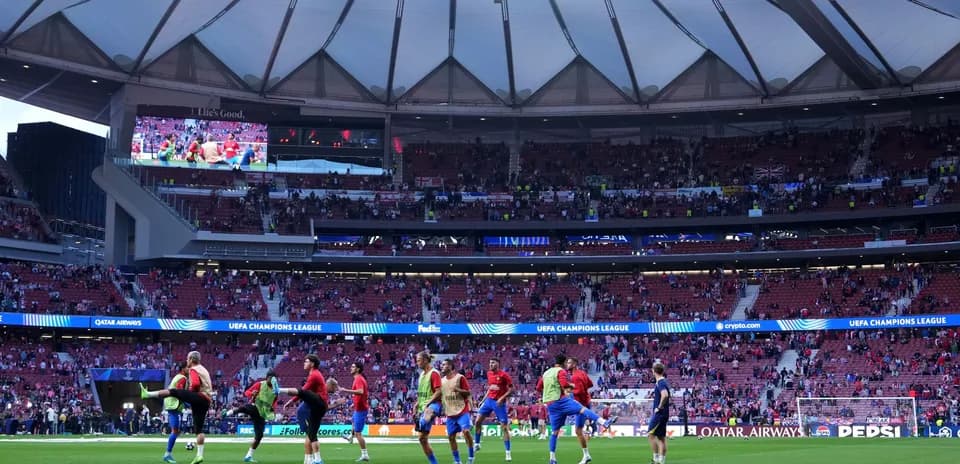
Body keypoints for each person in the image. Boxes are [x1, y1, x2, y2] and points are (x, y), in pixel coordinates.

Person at [537, 355, 616, 464]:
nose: (567, 364)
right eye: (567, 362)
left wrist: (552, 390)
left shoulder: (546, 373)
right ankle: (603, 423)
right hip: (563, 401)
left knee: (555, 432)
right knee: (582, 413)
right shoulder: (563, 372)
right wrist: (571, 386)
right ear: (564, 362)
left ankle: (552, 459)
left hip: (551, 404)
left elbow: (538, 388)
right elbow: (567, 385)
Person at [140, 351, 214, 464]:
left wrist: (189, 394)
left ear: (191, 359)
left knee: (174, 392)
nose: (187, 360)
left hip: (198, 397)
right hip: (206, 400)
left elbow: (194, 384)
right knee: (198, 430)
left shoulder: (193, 369)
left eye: (187, 358)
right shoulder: (204, 369)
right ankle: (199, 455)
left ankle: (148, 394)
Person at [277, 354, 330, 464]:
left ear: (312, 364)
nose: (304, 363)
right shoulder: (314, 374)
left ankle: (279, 389)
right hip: (317, 406)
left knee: (302, 397)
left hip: (319, 403)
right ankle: (317, 460)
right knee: (312, 435)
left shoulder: (314, 374)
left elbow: (303, 391)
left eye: (306, 361)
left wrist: (291, 401)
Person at [226, 370, 280, 463]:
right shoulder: (260, 384)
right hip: (255, 406)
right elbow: (247, 392)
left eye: (273, 379)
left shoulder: (275, 389)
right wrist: (252, 394)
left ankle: (248, 456)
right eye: (270, 379)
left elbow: (275, 401)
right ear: (266, 378)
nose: (271, 381)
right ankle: (228, 413)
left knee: (259, 436)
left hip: (262, 413)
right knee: (246, 408)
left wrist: (273, 408)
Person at [473, 358, 513, 461]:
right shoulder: (489, 374)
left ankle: (508, 452)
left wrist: (502, 398)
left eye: (493, 363)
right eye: (490, 362)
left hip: (499, 403)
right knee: (477, 422)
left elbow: (512, 389)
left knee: (504, 427)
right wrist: (483, 400)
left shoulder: (504, 375)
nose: (490, 364)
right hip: (489, 401)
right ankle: (477, 444)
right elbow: (490, 388)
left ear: (498, 364)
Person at [440, 359, 475, 464]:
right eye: (441, 365)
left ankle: (471, 457)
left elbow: (468, 393)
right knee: (451, 437)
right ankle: (457, 460)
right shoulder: (441, 381)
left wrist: (459, 390)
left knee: (466, 432)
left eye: (444, 364)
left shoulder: (460, 378)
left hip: (462, 411)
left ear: (450, 366)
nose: (442, 366)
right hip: (450, 414)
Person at [337, 362, 370, 462]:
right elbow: (360, 394)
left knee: (358, 433)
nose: (351, 368)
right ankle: (350, 437)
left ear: (358, 369)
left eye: (353, 366)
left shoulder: (358, 378)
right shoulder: (358, 378)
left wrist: (345, 390)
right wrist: (354, 404)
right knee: (353, 422)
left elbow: (360, 391)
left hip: (361, 409)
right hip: (358, 408)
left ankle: (365, 454)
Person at [414, 351, 442, 464]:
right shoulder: (421, 375)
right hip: (423, 406)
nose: (417, 363)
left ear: (425, 360)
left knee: (427, 414)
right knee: (422, 439)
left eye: (419, 360)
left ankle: (421, 422)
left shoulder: (434, 373)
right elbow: (422, 393)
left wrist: (428, 403)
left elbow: (438, 391)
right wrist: (417, 403)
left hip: (434, 405)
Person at [567, 357, 594, 464]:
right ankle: (586, 455)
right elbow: (590, 384)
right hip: (586, 403)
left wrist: (569, 389)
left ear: (574, 364)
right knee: (579, 430)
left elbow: (579, 391)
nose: (567, 364)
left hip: (581, 406)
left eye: (569, 363)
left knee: (578, 431)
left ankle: (586, 455)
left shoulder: (575, 377)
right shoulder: (582, 373)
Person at [162, 362, 188, 463]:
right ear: (183, 369)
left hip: (171, 404)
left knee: (176, 431)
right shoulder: (182, 378)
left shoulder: (177, 377)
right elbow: (180, 392)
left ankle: (168, 454)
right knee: (175, 431)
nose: (189, 370)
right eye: (187, 368)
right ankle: (167, 454)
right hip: (173, 404)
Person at [647, 363, 671, 464]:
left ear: (654, 371)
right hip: (664, 413)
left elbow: (664, 395)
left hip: (659, 414)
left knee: (650, 434)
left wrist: (659, 407)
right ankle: (661, 461)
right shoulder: (664, 382)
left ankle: (656, 458)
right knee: (661, 438)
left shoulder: (660, 382)